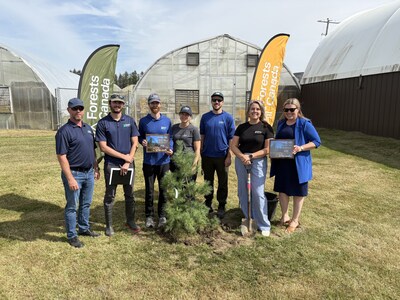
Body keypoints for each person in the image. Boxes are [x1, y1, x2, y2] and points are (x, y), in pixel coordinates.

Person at [270, 98, 321, 233]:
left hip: (298, 164)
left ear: (298, 110)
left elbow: (316, 141)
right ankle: (284, 215)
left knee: (298, 192)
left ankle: (294, 220)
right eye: (286, 110)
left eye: (292, 109)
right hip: (282, 163)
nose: (289, 112)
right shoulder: (281, 123)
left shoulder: (304, 123)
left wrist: (301, 148)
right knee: (283, 190)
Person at [55, 98, 100, 248]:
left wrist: (96, 167)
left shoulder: (88, 128)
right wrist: (70, 178)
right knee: (72, 206)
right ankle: (72, 236)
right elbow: (62, 156)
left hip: (88, 173)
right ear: (69, 110)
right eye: (75, 108)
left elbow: (92, 150)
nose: (78, 111)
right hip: (74, 174)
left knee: (86, 204)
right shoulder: (64, 131)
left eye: (80, 108)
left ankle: (84, 228)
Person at [95, 94, 141, 236]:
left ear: (123, 105)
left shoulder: (130, 121)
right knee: (110, 195)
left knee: (130, 194)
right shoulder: (103, 123)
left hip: (128, 164)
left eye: (120, 103)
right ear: (110, 103)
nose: (117, 105)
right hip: (112, 164)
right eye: (115, 102)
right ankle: (109, 226)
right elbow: (103, 147)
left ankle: (130, 221)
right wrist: (124, 158)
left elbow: (135, 143)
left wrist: (128, 161)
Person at [231, 100, 274, 236]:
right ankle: (249, 217)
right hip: (241, 161)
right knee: (242, 191)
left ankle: (264, 224)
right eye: (252, 109)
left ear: (261, 112)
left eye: (257, 109)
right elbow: (233, 146)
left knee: (258, 192)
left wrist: (251, 156)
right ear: (248, 111)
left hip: (258, 161)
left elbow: (268, 149)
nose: (255, 111)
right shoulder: (242, 127)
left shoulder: (266, 128)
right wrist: (242, 156)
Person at [139, 93, 173, 229]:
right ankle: (149, 216)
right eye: (152, 103)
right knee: (150, 190)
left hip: (164, 161)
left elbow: (169, 138)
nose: (155, 105)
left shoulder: (167, 121)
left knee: (163, 190)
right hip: (149, 162)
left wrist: (170, 148)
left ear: (160, 105)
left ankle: (162, 216)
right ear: (149, 105)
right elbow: (139, 136)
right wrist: (143, 141)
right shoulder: (143, 121)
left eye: (157, 103)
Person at [200, 91, 235, 218]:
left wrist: (229, 155)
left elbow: (231, 139)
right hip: (207, 155)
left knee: (222, 182)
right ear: (211, 101)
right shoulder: (205, 117)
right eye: (214, 100)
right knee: (208, 182)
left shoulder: (228, 118)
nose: (216, 102)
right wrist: (201, 153)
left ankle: (221, 205)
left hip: (222, 156)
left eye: (219, 100)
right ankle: (208, 203)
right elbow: (202, 135)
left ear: (222, 102)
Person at [170, 105, 201, 182]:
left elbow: (197, 150)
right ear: (179, 115)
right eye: (182, 114)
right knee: (177, 186)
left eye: (186, 114)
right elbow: (169, 142)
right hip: (175, 162)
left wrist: (194, 166)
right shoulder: (174, 128)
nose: (184, 116)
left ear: (190, 117)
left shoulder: (194, 129)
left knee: (188, 188)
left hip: (189, 162)